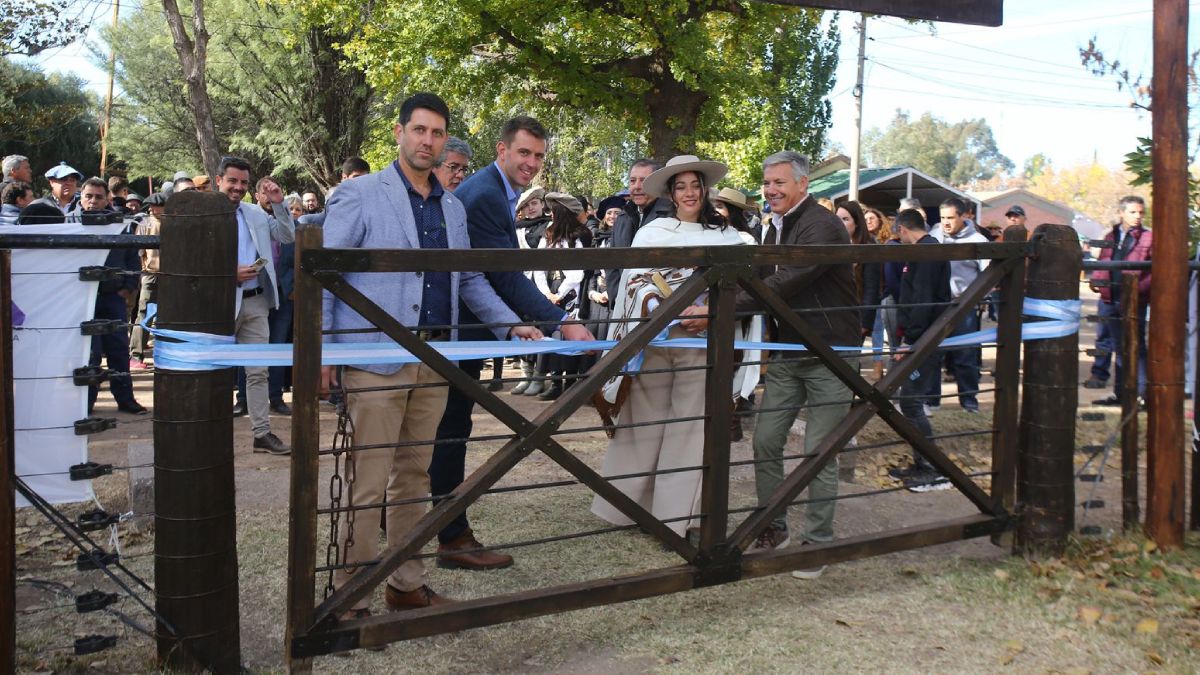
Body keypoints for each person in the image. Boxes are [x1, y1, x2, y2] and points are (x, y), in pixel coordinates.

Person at [320, 93, 543, 615]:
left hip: (435, 360)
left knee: (415, 479)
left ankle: (405, 585)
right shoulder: (359, 195)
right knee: (368, 482)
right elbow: (325, 276)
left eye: (437, 133)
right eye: (419, 130)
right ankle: (350, 594)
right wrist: (324, 351)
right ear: (398, 133)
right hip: (373, 360)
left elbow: (467, 277)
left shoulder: (451, 205)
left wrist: (511, 327)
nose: (427, 141)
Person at [430, 115, 594, 571]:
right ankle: (450, 535)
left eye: (539, 156)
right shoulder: (484, 195)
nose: (531, 163)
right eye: (524, 153)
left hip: (460, 329)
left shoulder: (493, 190)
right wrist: (561, 321)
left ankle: (418, 522)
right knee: (449, 432)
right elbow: (498, 273)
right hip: (455, 332)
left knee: (439, 431)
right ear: (501, 150)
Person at [694, 151, 860, 580]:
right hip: (787, 352)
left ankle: (817, 544)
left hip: (830, 354)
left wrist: (714, 306)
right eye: (767, 183)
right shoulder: (775, 225)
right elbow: (757, 277)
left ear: (803, 184)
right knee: (766, 440)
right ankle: (774, 526)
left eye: (779, 183)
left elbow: (782, 284)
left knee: (818, 454)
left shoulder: (822, 225)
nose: (770, 191)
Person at [591, 155, 746, 543]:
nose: (690, 193)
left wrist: (709, 311)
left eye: (696, 185)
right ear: (671, 192)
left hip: (703, 342)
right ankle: (625, 506)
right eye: (681, 186)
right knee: (643, 423)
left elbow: (740, 287)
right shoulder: (653, 232)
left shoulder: (726, 235)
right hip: (656, 339)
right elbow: (632, 283)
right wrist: (662, 307)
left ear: (705, 190)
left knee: (689, 429)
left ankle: (674, 520)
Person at [215, 156, 294, 455]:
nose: (237, 187)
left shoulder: (255, 214)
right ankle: (210, 433)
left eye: (243, 183)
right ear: (218, 179)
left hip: (257, 302)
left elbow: (287, 235)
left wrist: (278, 203)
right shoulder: (204, 214)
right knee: (216, 370)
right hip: (220, 303)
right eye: (232, 181)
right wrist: (227, 273)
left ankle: (262, 433)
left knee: (258, 371)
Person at [886, 209, 952, 492]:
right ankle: (922, 463)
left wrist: (908, 341)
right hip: (920, 338)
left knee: (912, 403)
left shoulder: (925, 253)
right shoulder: (925, 251)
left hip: (922, 340)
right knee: (907, 402)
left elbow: (922, 298)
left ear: (902, 229)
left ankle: (932, 469)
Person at [74, 178, 147, 415]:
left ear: (107, 198)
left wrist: (126, 288)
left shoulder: (120, 225)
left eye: (98, 196)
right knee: (89, 352)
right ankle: (87, 401)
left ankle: (125, 398)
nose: (93, 201)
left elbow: (132, 259)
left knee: (118, 349)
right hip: (82, 299)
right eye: (89, 196)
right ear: (81, 197)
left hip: (112, 297)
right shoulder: (71, 223)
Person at [530, 192, 593, 401]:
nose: (551, 215)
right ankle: (555, 382)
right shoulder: (547, 234)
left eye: (554, 211)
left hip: (572, 292)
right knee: (552, 335)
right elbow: (537, 266)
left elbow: (578, 272)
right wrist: (546, 293)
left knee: (571, 335)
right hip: (550, 289)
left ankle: (571, 382)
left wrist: (560, 294)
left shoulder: (580, 235)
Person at [1090, 196, 1150, 406]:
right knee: (1117, 345)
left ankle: (1142, 396)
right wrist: (1097, 279)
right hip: (1109, 298)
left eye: (1141, 212)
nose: (1138, 216)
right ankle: (1121, 394)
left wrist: (1139, 290)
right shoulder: (1110, 235)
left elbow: (1151, 271)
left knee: (1136, 346)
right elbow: (1103, 261)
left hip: (1134, 300)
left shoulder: (1148, 238)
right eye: (1133, 212)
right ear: (1121, 212)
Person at [930, 197, 988, 413]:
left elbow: (989, 275)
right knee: (932, 353)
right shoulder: (934, 236)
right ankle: (931, 400)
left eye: (950, 217)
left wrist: (974, 299)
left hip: (964, 306)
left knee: (965, 355)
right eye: (943, 217)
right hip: (937, 304)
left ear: (964, 216)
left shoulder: (979, 241)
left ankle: (969, 400)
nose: (946, 222)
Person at [607, 159, 670, 307]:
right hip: (623, 304)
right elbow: (611, 262)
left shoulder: (672, 215)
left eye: (644, 181)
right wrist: (617, 299)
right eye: (632, 181)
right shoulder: (622, 217)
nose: (636, 186)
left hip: (660, 306)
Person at [837, 201, 883, 384]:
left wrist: (865, 321)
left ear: (857, 222)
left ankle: (848, 397)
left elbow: (872, 288)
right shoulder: (832, 245)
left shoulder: (869, 247)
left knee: (850, 359)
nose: (840, 223)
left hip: (857, 314)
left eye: (845, 219)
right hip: (835, 313)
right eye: (837, 219)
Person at [129, 193, 167, 369]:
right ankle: (135, 354)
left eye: (156, 206)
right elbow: (139, 252)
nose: (152, 209)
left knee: (164, 317)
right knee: (144, 314)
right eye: (151, 206)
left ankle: (163, 354)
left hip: (168, 274)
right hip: (150, 273)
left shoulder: (172, 222)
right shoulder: (145, 223)